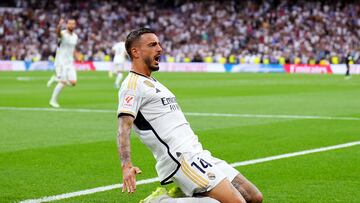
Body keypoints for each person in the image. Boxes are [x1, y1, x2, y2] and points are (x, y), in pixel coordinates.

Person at [116, 28, 263, 203]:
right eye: (152, 44)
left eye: (159, 44)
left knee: (254, 197)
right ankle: (161, 202)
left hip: (198, 153)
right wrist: (126, 166)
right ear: (135, 51)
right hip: (181, 158)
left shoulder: (154, 83)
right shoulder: (132, 85)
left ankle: (184, 194)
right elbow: (123, 128)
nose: (160, 48)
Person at [48, 18, 78, 108]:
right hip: (61, 62)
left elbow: (73, 49)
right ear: (67, 25)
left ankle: (55, 78)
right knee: (63, 82)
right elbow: (58, 33)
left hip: (70, 62)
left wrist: (77, 56)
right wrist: (59, 26)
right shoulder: (63, 33)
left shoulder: (75, 36)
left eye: (73, 24)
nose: (72, 25)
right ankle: (52, 100)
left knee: (73, 83)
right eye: (70, 24)